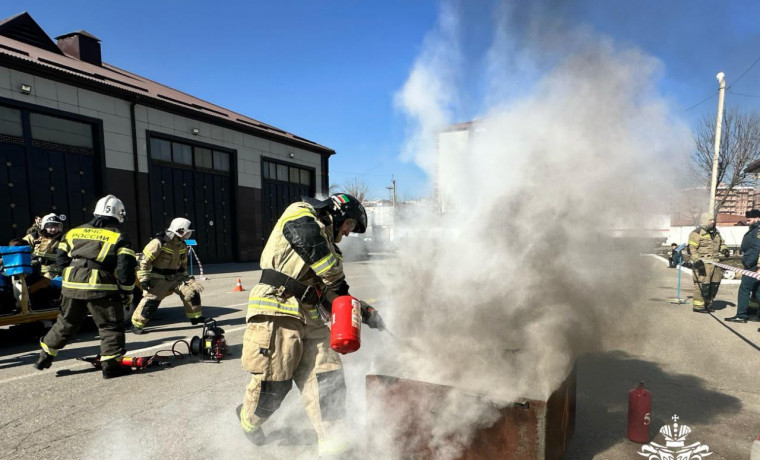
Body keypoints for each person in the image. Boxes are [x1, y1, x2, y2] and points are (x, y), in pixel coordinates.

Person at [238, 193, 385, 458]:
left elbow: (331, 293)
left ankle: (335, 445)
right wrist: (338, 282)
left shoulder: (328, 247)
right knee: (274, 385)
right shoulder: (301, 214)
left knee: (329, 379)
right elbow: (310, 244)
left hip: (310, 316)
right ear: (339, 211)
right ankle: (248, 420)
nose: (349, 232)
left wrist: (363, 310)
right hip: (276, 307)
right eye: (350, 225)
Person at [32, 194, 137, 379]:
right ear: (119, 215)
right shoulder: (119, 236)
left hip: (71, 283)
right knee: (110, 326)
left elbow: (61, 260)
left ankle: (44, 357)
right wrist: (126, 291)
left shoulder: (73, 232)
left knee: (66, 322)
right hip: (100, 285)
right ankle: (111, 366)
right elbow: (124, 270)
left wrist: (71, 276)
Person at [131, 217, 204, 334]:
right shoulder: (158, 243)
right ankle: (137, 325)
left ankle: (196, 317)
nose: (188, 235)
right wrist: (144, 280)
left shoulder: (182, 245)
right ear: (179, 231)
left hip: (176, 277)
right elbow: (143, 262)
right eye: (187, 232)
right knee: (151, 302)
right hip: (159, 278)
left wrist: (189, 280)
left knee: (192, 291)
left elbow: (182, 266)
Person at [687, 213, 726, 313]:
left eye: (713, 220)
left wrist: (724, 250)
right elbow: (692, 250)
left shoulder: (716, 232)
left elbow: (722, 244)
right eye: (710, 220)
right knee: (702, 285)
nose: (713, 222)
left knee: (714, 285)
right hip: (703, 263)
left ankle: (708, 304)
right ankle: (698, 306)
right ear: (704, 220)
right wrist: (697, 261)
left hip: (716, 263)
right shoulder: (696, 233)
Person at [726, 209, 760, 323]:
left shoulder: (757, 230)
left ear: (757, 218)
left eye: (749, 219)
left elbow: (757, 248)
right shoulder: (754, 229)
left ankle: (741, 315)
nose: (747, 221)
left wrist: (749, 263)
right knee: (757, 291)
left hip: (753, 265)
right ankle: (754, 313)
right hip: (755, 264)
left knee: (744, 289)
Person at [22, 213, 65, 279]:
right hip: (32, 270)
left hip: (53, 273)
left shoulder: (63, 240)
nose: (53, 229)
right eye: (50, 226)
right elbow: (18, 249)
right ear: (43, 226)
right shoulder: (33, 237)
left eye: (56, 226)